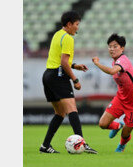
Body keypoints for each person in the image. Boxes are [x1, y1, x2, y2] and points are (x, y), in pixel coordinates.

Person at [40, 11, 97, 154]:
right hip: (59, 76)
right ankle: (82, 144)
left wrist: (74, 65)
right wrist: (75, 79)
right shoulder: (68, 38)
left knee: (60, 112)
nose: (77, 28)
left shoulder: (57, 34)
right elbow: (64, 63)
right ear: (69, 24)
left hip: (48, 75)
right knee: (72, 109)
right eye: (77, 24)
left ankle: (45, 146)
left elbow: (60, 60)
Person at [92, 33, 133, 152]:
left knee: (126, 133)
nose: (112, 49)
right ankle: (118, 126)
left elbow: (112, 71)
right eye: (110, 46)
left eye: (115, 46)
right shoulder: (114, 61)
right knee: (102, 124)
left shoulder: (123, 60)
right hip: (121, 98)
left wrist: (97, 63)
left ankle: (122, 145)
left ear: (122, 48)